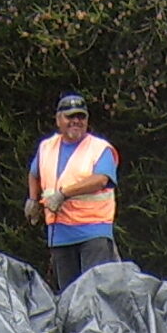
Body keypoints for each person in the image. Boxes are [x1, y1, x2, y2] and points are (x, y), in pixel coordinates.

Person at [25, 94, 120, 289]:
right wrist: (32, 200)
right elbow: (34, 173)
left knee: (95, 293)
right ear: (58, 119)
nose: (76, 121)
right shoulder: (46, 147)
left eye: (81, 117)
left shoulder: (99, 148)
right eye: (70, 117)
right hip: (60, 232)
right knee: (69, 295)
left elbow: (101, 179)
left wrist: (63, 193)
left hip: (93, 231)